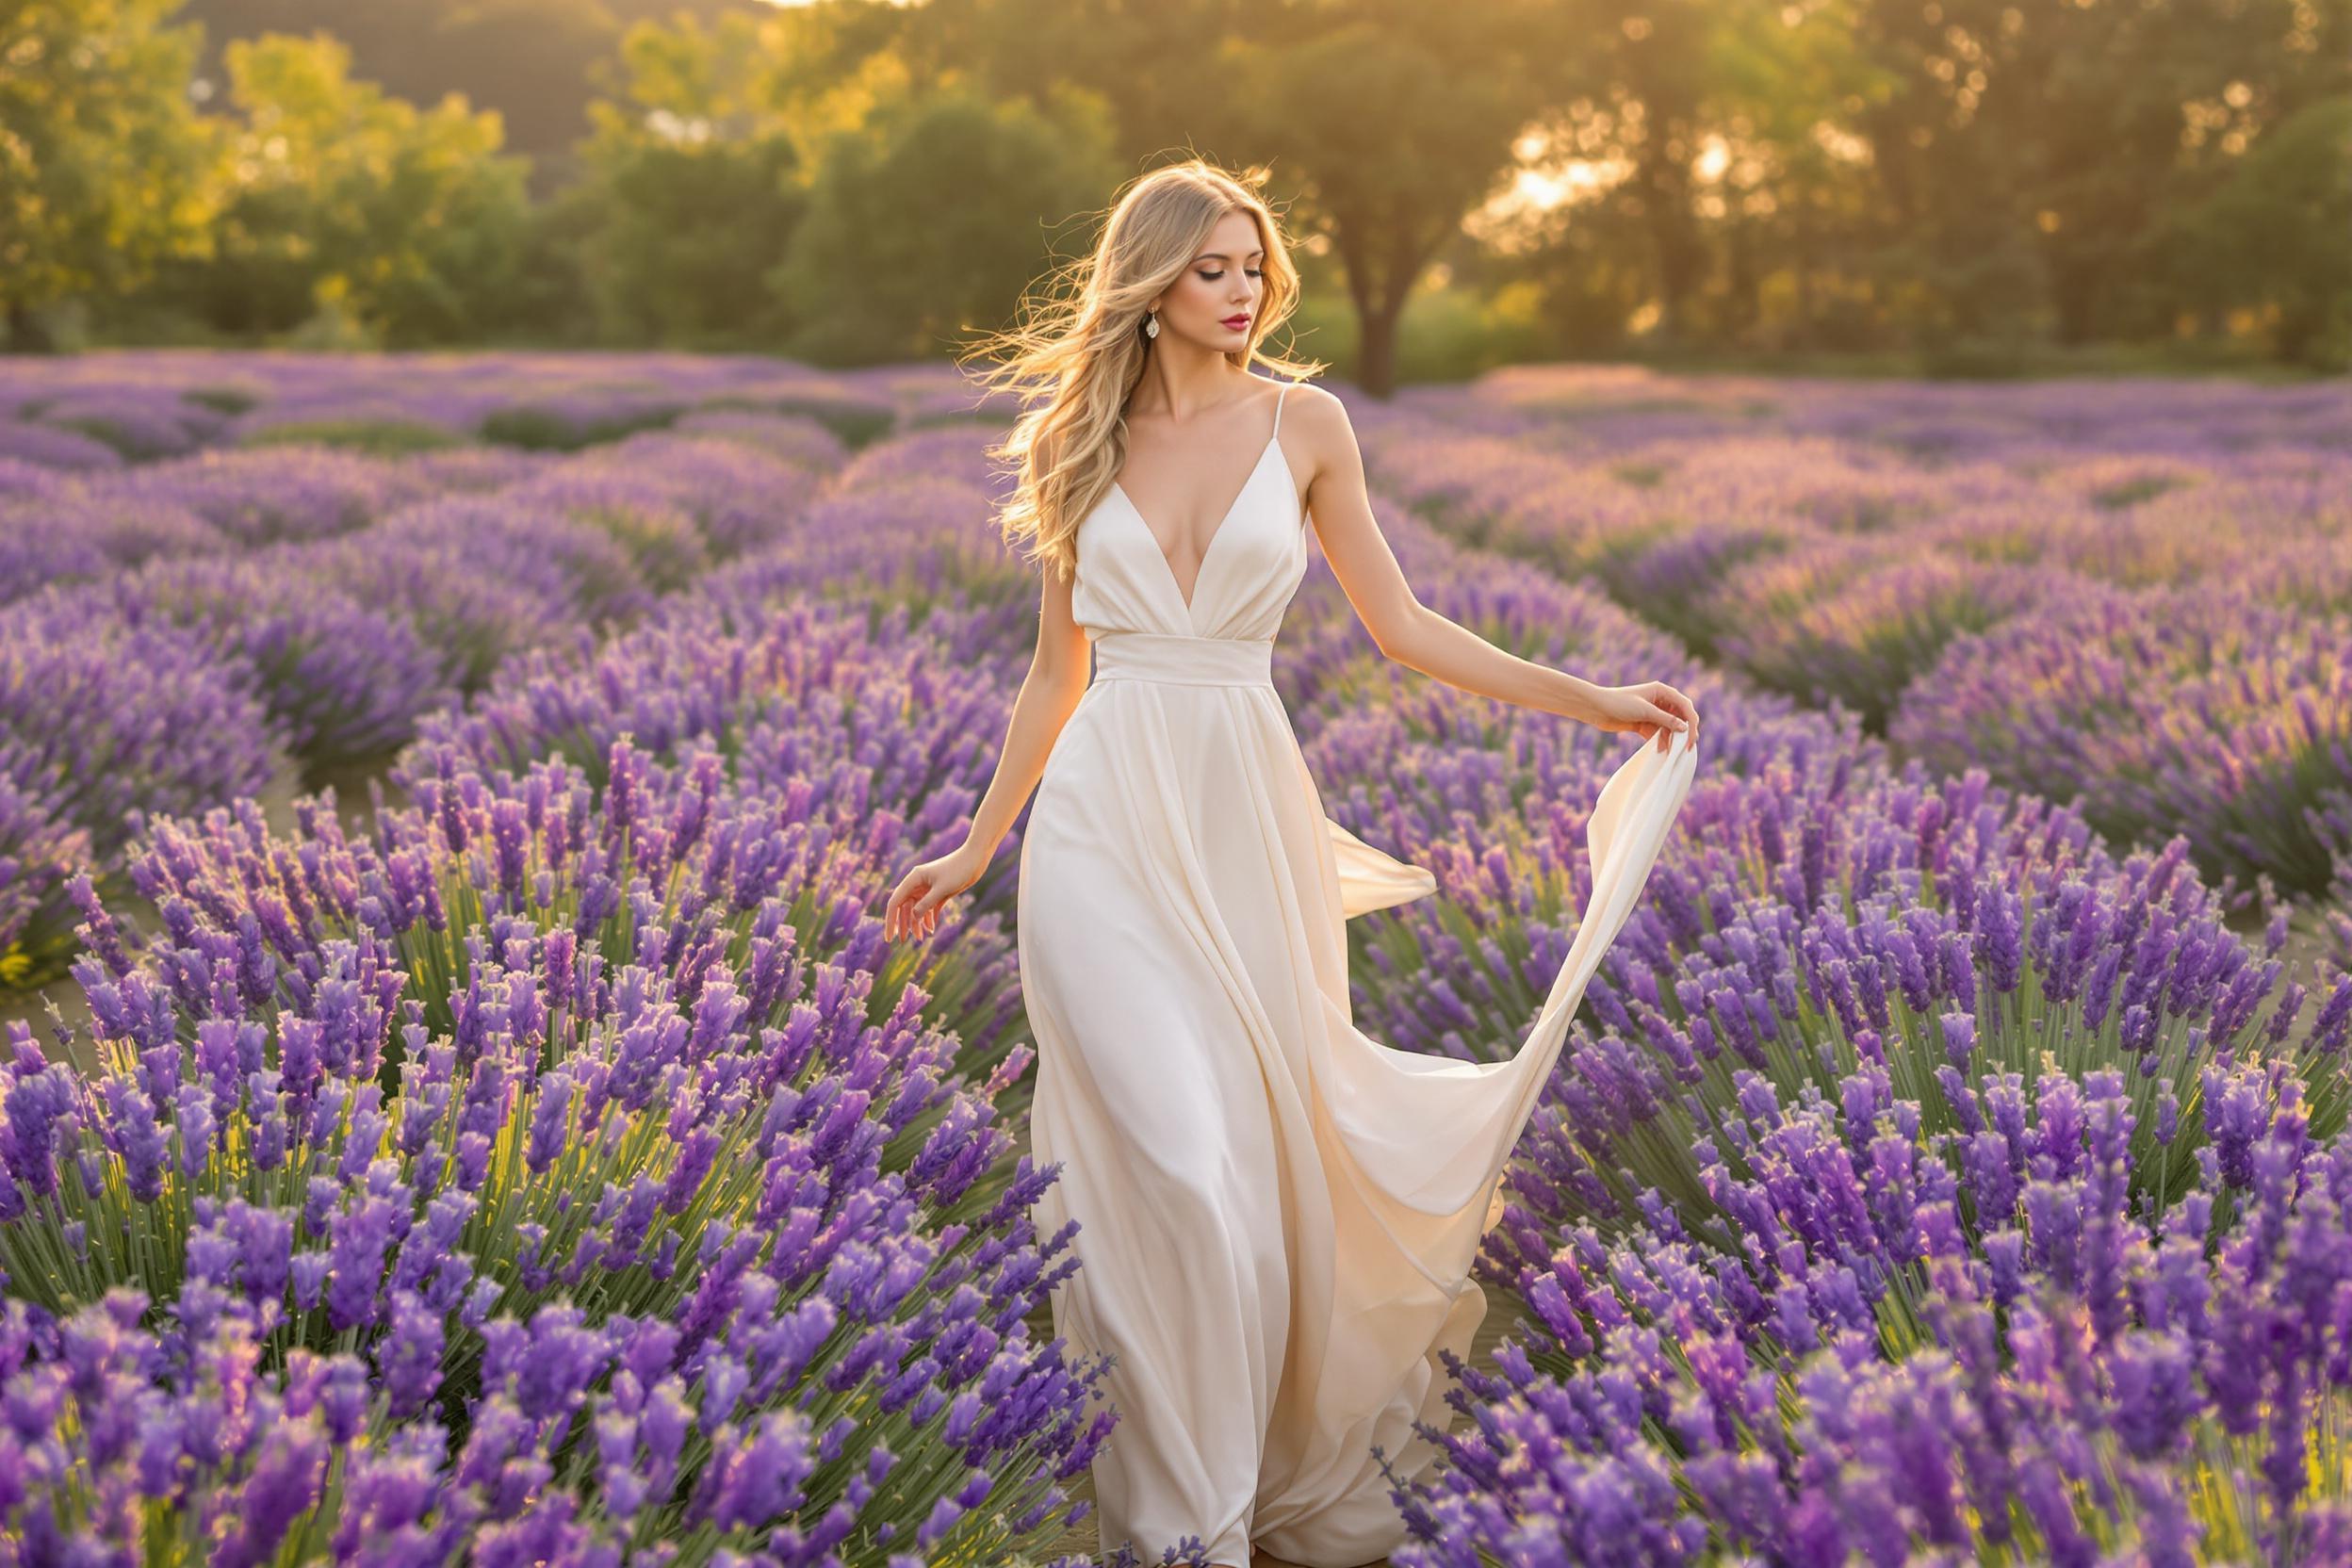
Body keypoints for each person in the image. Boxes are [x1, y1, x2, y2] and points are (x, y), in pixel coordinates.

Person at [885, 159, 1701, 1568]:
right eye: (1214, 267)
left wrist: (1595, 699)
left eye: (1256, 265)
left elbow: (1408, 627)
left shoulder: (1307, 423)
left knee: (1247, 1166)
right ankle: (1178, 1524)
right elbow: (1049, 679)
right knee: (1173, 1166)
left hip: (1240, 813)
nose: (1245, 289)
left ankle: (1233, 1488)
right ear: (1149, 282)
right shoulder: (1075, 437)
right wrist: (974, 847)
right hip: (1095, 828)